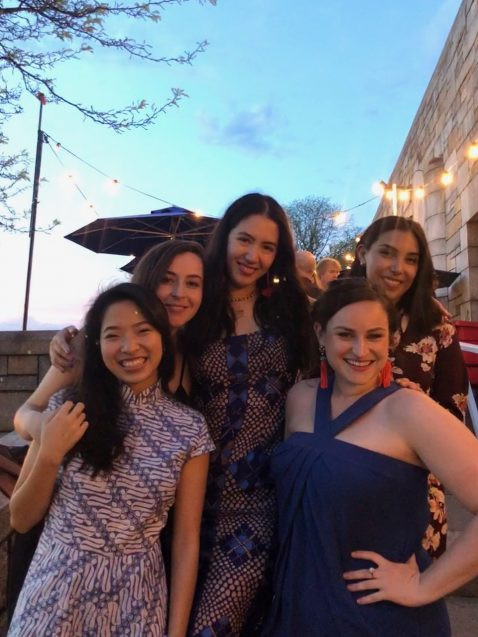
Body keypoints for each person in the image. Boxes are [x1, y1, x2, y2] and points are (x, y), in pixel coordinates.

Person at [263, 277, 478, 637]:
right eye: (345, 334)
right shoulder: (299, 398)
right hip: (298, 606)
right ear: (320, 334)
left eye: (375, 336)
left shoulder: (410, 410)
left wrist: (424, 586)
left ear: (392, 339)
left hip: (377, 618)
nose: (360, 350)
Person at [10, 240, 205, 618]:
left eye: (193, 283)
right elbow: (25, 414)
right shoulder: (88, 353)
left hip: (136, 572)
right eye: (168, 279)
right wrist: (50, 436)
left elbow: (186, 535)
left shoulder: (196, 355)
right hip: (58, 559)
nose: (179, 293)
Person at [187, 193, 312, 636]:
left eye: (267, 247)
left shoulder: (290, 311)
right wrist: (72, 344)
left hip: (258, 498)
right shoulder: (193, 305)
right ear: (225, 237)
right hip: (189, 494)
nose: (253, 255)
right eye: (245, 239)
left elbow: (346, 346)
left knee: (214, 624)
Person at [350, 215, 468, 558]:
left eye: (411, 259)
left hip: (413, 484)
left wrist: (418, 412)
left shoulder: (435, 324)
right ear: (363, 254)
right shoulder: (333, 315)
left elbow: (453, 411)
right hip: (342, 478)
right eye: (387, 253)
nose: (398, 268)